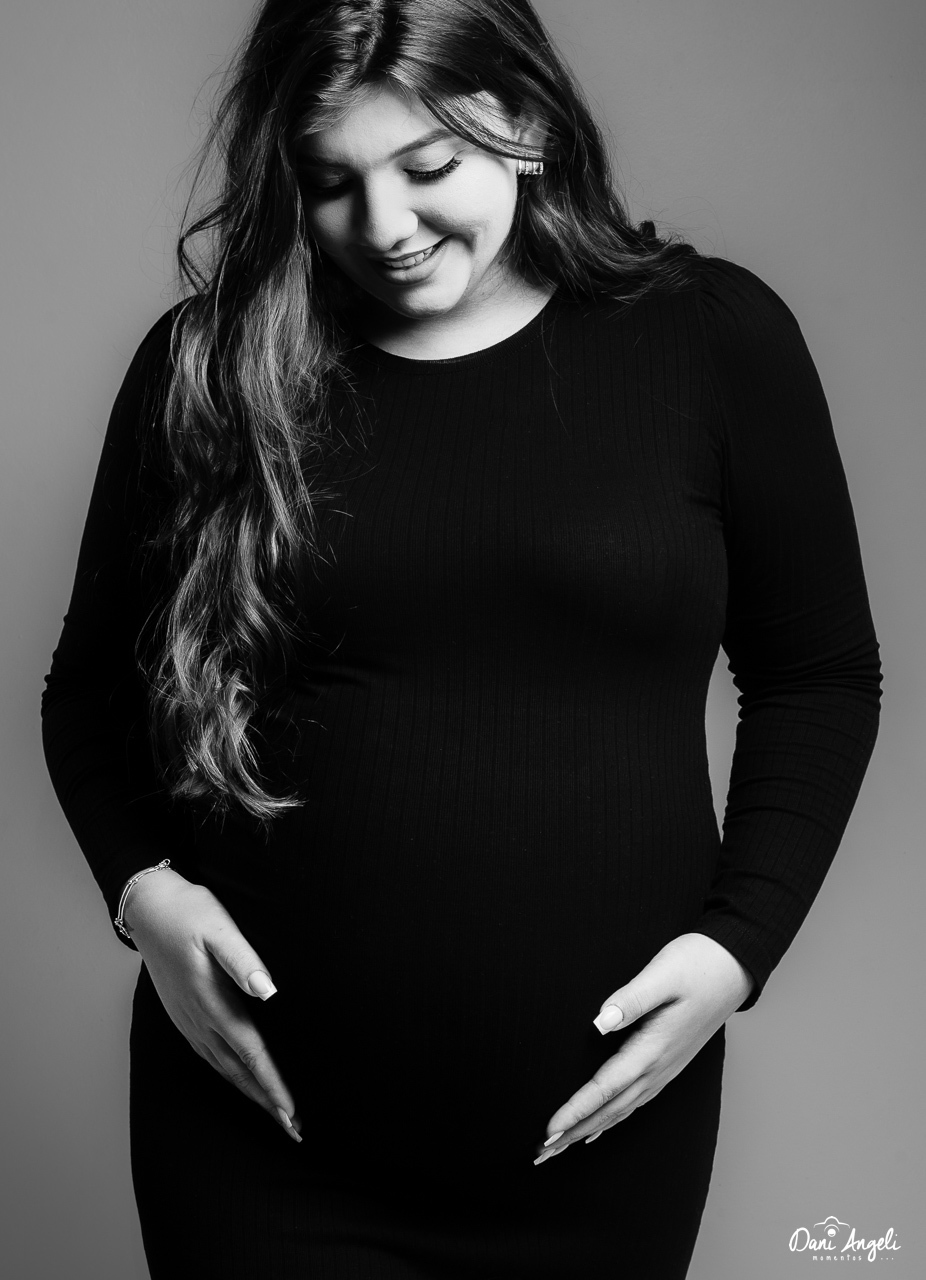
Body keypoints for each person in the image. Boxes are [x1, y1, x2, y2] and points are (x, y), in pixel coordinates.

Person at [40, 1, 882, 1276]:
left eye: (427, 166)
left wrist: (737, 945)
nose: (382, 225)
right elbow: (89, 688)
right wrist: (141, 892)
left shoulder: (709, 339)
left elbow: (818, 676)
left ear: (526, 121)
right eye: (330, 182)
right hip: (259, 1143)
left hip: (597, 1141)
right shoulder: (206, 368)